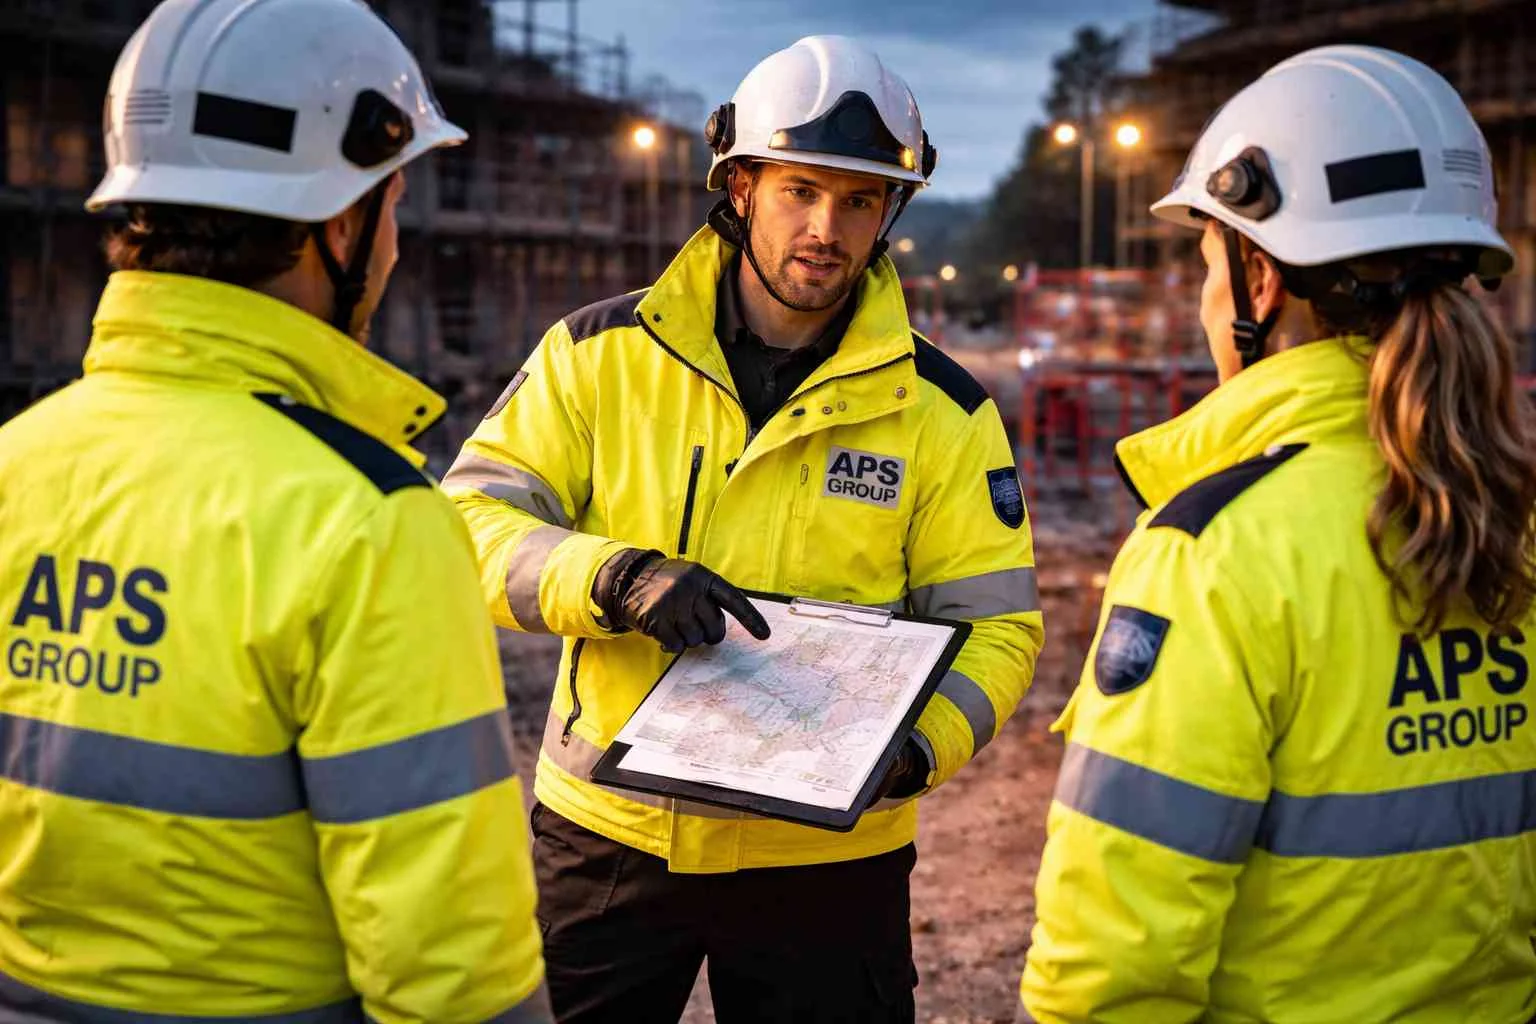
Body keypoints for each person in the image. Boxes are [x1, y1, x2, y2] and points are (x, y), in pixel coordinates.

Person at [444, 34, 1043, 1024]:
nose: (829, 226)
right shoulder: (599, 357)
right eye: (801, 190)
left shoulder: (942, 409)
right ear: (740, 186)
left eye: (861, 200)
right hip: (609, 836)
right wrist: (614, 578)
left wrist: (916, 752)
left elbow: (1000, 625)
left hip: (828, 862)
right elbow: (464, 522)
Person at [0, 1, 552, 1020]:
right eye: (393, 205)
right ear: (339, 223)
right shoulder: (369, 522)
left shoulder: (15, 463)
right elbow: (450, 969)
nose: (395, 242)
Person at [1020, 44, 1536, 1024]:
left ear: (1260, 278)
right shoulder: (1516, 521)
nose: (1204, 296)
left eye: (1207, 262)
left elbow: (1113, 968)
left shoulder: (1215, 554)